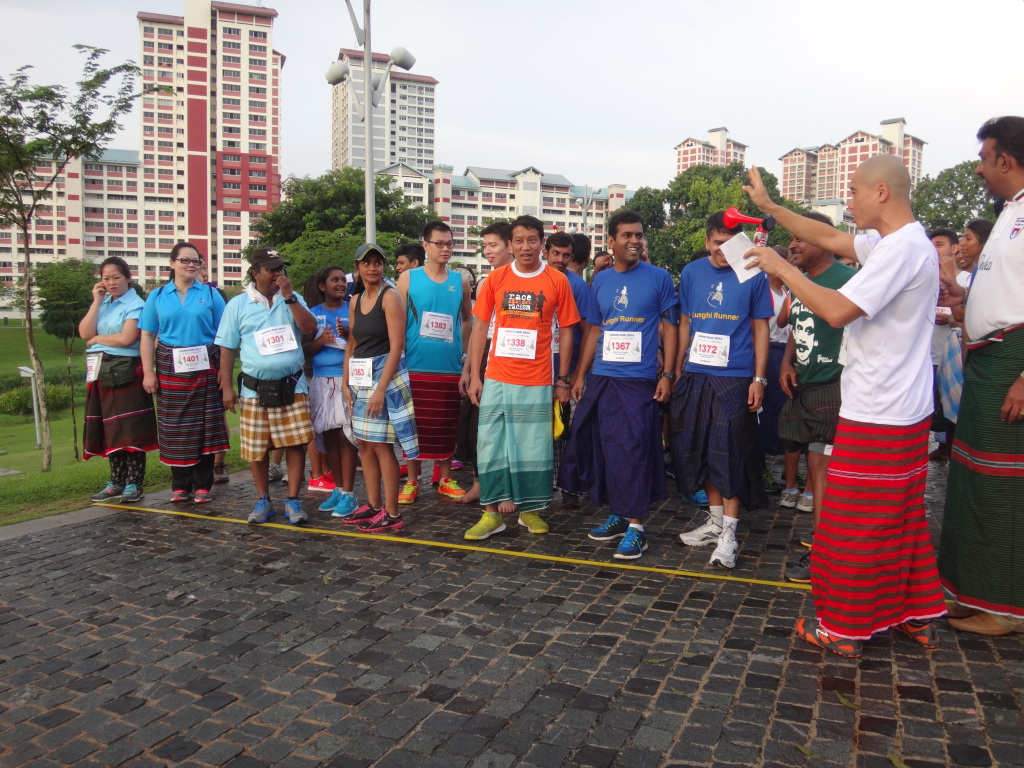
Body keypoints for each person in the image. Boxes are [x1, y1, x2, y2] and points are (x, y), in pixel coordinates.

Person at [743, 156, 947, 657]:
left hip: (880, 410)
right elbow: (828, 236)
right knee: (899, 517)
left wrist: (781, 267)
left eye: (853, 191)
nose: (847, 200)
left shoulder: (901, 250)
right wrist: (771, 206)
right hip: (898, 404)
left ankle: (845, 628)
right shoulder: (894, 242)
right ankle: (913, 614)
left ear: (882, 192)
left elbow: (835, 310)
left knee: (850, 523)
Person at [938, 116, 1024, 636]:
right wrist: (967, 300)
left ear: (1006, 160)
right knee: (972, 479)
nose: (978, 167)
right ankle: (973, 593)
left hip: (1013, 361)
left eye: (984, 157)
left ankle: (1006, 608)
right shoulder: (1009, 214)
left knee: (1003, 484)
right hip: (988, 358)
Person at [559, 210, 678, 559]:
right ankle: (617, 514)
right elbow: (594, 330)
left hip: (639, 381)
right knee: (602, 447)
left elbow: (670, 328)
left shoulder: (659, 278)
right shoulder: (602, 281)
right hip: (602, 378)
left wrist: (668, 374)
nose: (635, 241)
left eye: (639, 235)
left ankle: (637, 526)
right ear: (611, 242)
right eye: (627, 235)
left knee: (635, 449)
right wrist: (580, 375)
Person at [464, 215, 580, 540]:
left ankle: (530, 512)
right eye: (519, 240)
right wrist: (475, 375)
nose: (525, 247)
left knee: (532, 447)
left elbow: (569, 331)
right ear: (511, 244)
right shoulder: (495, 279)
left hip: (537, 378)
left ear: (542, 242)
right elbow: (480, 329)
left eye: (532, 239)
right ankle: (491, 515)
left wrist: (563, 380)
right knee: (490, 446)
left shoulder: (557, 281)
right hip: (497, 376)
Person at [670, 211, 772, 570]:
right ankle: (714, 523)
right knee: (702, 451)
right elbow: (685, 321)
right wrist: (678, 365)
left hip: (735, 375)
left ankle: (730, 532)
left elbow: (762, 328)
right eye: (716, 244)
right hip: (696, 372)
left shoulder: (753, 272)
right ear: (706, 241)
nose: (723, 251)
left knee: (728, 453)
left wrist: (759, 379)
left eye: (730, 245)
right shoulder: (692, 272)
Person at [770, 215, 858, 584]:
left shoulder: (850, 281)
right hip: (805, 384)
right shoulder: (798, 281)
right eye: (790, 239)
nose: (793, 245)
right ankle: (828, 549)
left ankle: (828, 556)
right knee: (816, 463)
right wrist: (788, 361)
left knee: (825, 470)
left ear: (824, 241)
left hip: (837, 386)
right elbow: (789, 322)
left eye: (800, 239)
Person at [216, 248, 318, 525]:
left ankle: (293, 499)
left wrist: (290, 298)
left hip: (293, 385)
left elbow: (309, 329)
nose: (278, 274)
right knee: (256, 447)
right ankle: (263, 499)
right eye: (272, 269)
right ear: (255, 272)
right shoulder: (238, 305)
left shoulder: (292, 299)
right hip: (254, 388)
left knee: (295, 444)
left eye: (281, 268)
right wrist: (226, 387)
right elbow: (226, 348)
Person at [139, 242, 230, 504]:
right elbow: (147, 335)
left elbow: (223, 336)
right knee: (174, 426)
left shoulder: (211, 295)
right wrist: (149, 372)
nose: (190, 265)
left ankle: (203, 485)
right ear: (172, 264)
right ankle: (180, 485)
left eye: (195, 261)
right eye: (184, 260)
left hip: (205, 364)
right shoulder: (157, 296)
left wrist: (224, 373)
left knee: (205, 425)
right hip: (170, 366)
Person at [342, 243, 419, 532]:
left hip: (384, 373)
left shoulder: (391, 297)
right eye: (366, 263)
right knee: (363, 442)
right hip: (360, 374)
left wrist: (380, 389)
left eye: (377, 262)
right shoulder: (356, 299)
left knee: (381, 444)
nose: (372, 268)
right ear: (358, 267)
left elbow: (397, 345)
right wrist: (344, 381)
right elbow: (352, 342)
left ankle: (392, 512)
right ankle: (374, 505)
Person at [396, 222, 471, 504]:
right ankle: (412, 481)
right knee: (414, 426)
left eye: (449, 243)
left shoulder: (460, 280)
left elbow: (467, 318)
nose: (445, 249)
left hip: (449, 366)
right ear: (425, 246)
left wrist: (461, 351)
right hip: (414, 364)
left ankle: (445, 478)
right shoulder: (409, 278)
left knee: (446, 424)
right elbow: (398, 320)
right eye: (439, 243)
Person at [80, 256, 158, 504]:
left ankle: (134, 483)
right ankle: (116, 482)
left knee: (131, 432)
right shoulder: (104, 304)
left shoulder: (136, 304)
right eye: (106, 278)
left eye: (116, 277)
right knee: (111, 430)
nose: (111, 283)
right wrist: (96, 301)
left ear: (128, 278)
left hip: (126, 371)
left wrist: (97, 339)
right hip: (102, 372)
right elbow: (84, 333)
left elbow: (126, 339)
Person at [456, 221, 514, 505]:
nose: (487, 251)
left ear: (510, 246)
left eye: (494, 245)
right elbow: (479, 328)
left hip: (512, 357)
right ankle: (479, 482)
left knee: (507, 426)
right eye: (485, 246)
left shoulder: (524, 279)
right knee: (476, 422)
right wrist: (469, 369)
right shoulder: (486, 281)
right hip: (485, 355)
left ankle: (508, 488)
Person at [304, 265, 360, 518]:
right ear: (321, 286)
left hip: (346, 379)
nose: (340, 284)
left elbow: (364, 343)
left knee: (346, 438)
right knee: (327, 437)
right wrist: (321, 340)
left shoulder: (354, 309)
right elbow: (305, 350)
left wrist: (349, 335)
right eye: (334, 280)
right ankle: (337, 488)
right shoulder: (312, 314)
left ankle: (349, 493)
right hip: (320, 380)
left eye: (342, 280)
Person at [544, 232, 591, 507]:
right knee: (541, 431)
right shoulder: (536, 280)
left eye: (566, 255)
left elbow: (586, 331)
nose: (561, 260)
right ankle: (541, 486)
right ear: (546, 252)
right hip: (537, 371)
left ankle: (570, 487)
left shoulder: (576, 285)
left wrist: (578, 374)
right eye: (556, 254)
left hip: (568, 370)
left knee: (568, 431)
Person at [928, 228, 962, 461]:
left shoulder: (967, 279)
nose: (935, 249)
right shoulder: (927, 277)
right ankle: (940, 446)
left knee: (952, 406)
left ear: (955, 247)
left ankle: (952, 448)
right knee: (931, 409)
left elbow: (964, 316)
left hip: (955, 357)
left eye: (940, 244)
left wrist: (950, 318)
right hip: (927, 356)